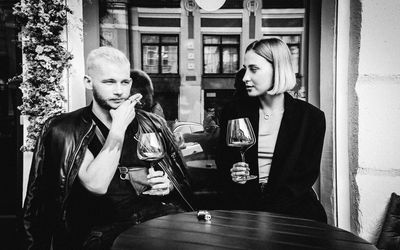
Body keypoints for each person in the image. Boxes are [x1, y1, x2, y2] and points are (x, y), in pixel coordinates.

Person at [22, 46, 193, 250]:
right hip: (99, 235)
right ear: (88, 82)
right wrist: (118, 126)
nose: (119, 90)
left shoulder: (152, 123)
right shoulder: (66, 128)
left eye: (125, 82)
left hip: (154, 224)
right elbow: (97, 184)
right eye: (109, 82)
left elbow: (179, 181)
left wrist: (168, 185)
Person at [216, 38, 327, 223]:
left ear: (277, 69)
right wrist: (234, 173)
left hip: (293, 213)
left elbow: (303, 178)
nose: (245, 77)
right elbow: (224, 160)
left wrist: (267, 214)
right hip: (244, 209)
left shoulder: (311, 118)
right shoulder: (233, 111)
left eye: (254, 69)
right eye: (245, 69)